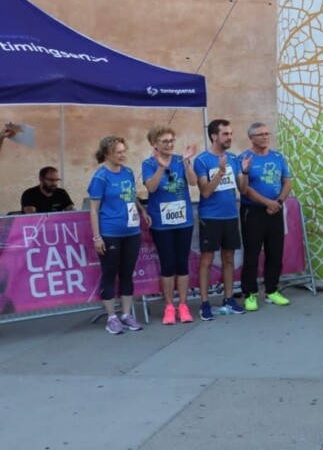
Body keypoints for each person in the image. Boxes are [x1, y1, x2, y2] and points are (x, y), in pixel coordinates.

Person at [88, 136, 147, 335]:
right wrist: (97, 237)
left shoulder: (128, 172)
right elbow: (94, 209)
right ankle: (111, 317)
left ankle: (127, 314)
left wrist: (143, 211)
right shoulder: (101, 177)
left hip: (132, 231)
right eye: (119, 152)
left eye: (124, 151)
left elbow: (131, 197)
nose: (123, 155)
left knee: (127, 274)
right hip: (110, 233)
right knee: (109, 274)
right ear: (107, 153)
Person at [142, 125, 198, 324]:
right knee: (167, 265)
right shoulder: (148, 163)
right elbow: (151, 187)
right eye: (165, 141)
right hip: (161, 222)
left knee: (182, 263)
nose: (169, 144)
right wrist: (160, 167)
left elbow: (192, 182)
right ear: (154, 144)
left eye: (172, 140)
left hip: (183, 220)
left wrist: (187, 162)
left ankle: (183, 305)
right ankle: (168, 306)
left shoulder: (179, 160)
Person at [236, 122, 293, 312]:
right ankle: (250, 294)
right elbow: (244, 188)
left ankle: (272, 290)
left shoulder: (278, 157)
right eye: (260, 134)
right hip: (253, 211)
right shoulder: (243, 158)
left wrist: (278, 202)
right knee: (252, 253)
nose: (265, 137)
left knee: (275, 252)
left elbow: (287, 181)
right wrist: (267, 203)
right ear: (251, 138)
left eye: (267, 133)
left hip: (275, 210)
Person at [193, 119, 244, 320]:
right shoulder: (202, 160)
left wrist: (245, 172)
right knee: (206, 259)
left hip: (230, 215)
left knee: (229, 258)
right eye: (225, 134)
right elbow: (205, 191)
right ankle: (204, 303)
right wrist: (221, 172)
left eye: (231, 133)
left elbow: (242, 189)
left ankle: (229, 298)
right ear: (214, 136)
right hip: (210, 217)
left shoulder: (234, 158)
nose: (229, 137)